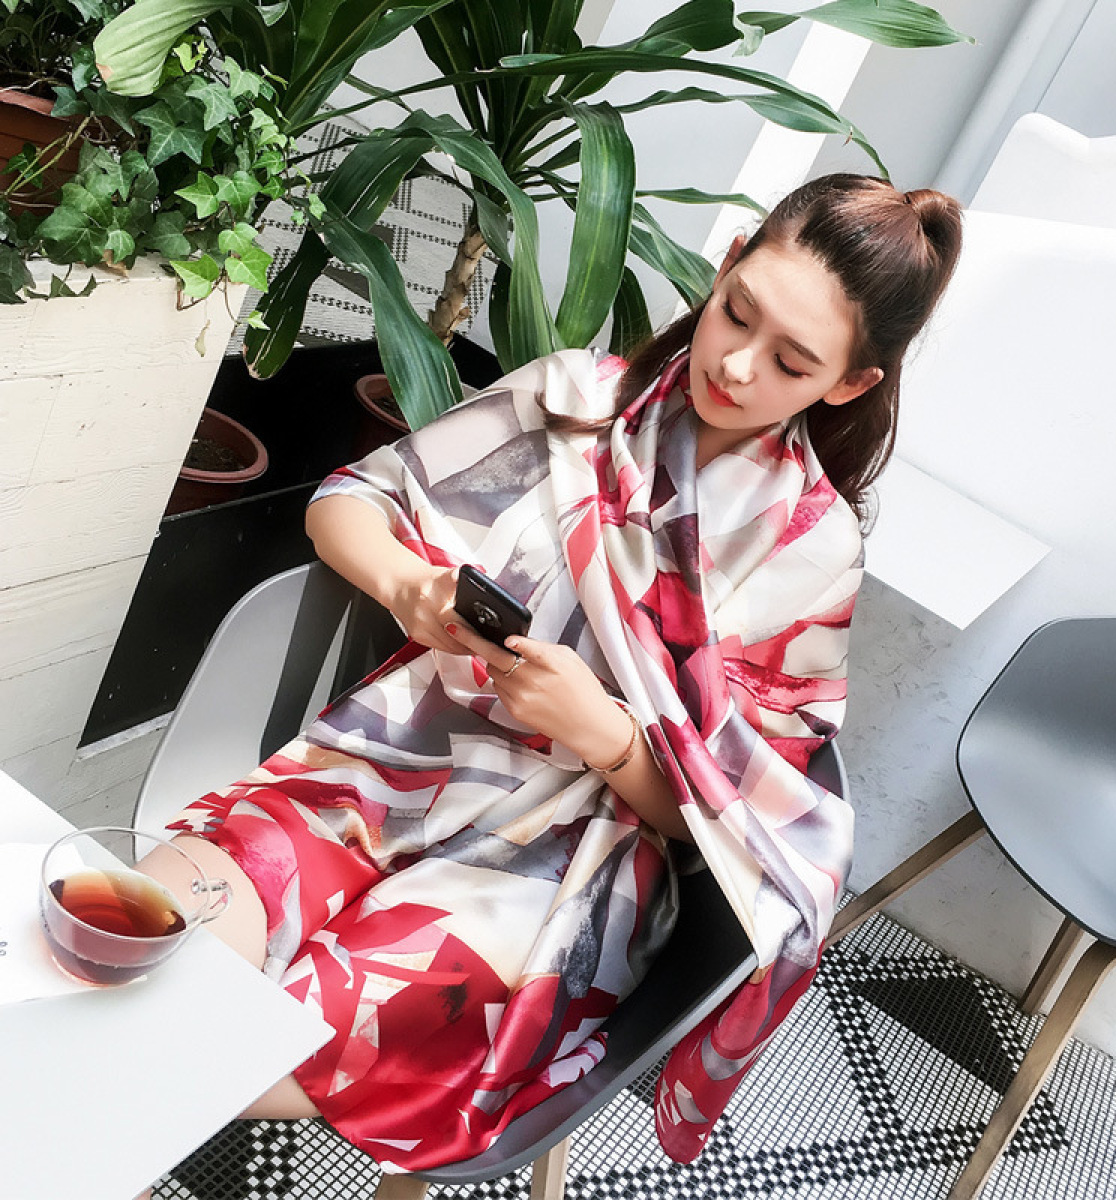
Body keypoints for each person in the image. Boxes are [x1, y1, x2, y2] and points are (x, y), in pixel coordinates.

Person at [139, 173, 962, 1190]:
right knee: (149, 954)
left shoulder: (811, 553)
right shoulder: (573, 401)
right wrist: (408, 584)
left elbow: (740, 829)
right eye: (737, 312)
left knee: (222, 1051)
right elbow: (352, 500)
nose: (736, 363)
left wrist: (603, 733)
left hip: (570, 862)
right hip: (392, 759)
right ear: (727, 262)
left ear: (848, 384)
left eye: (791, 362)